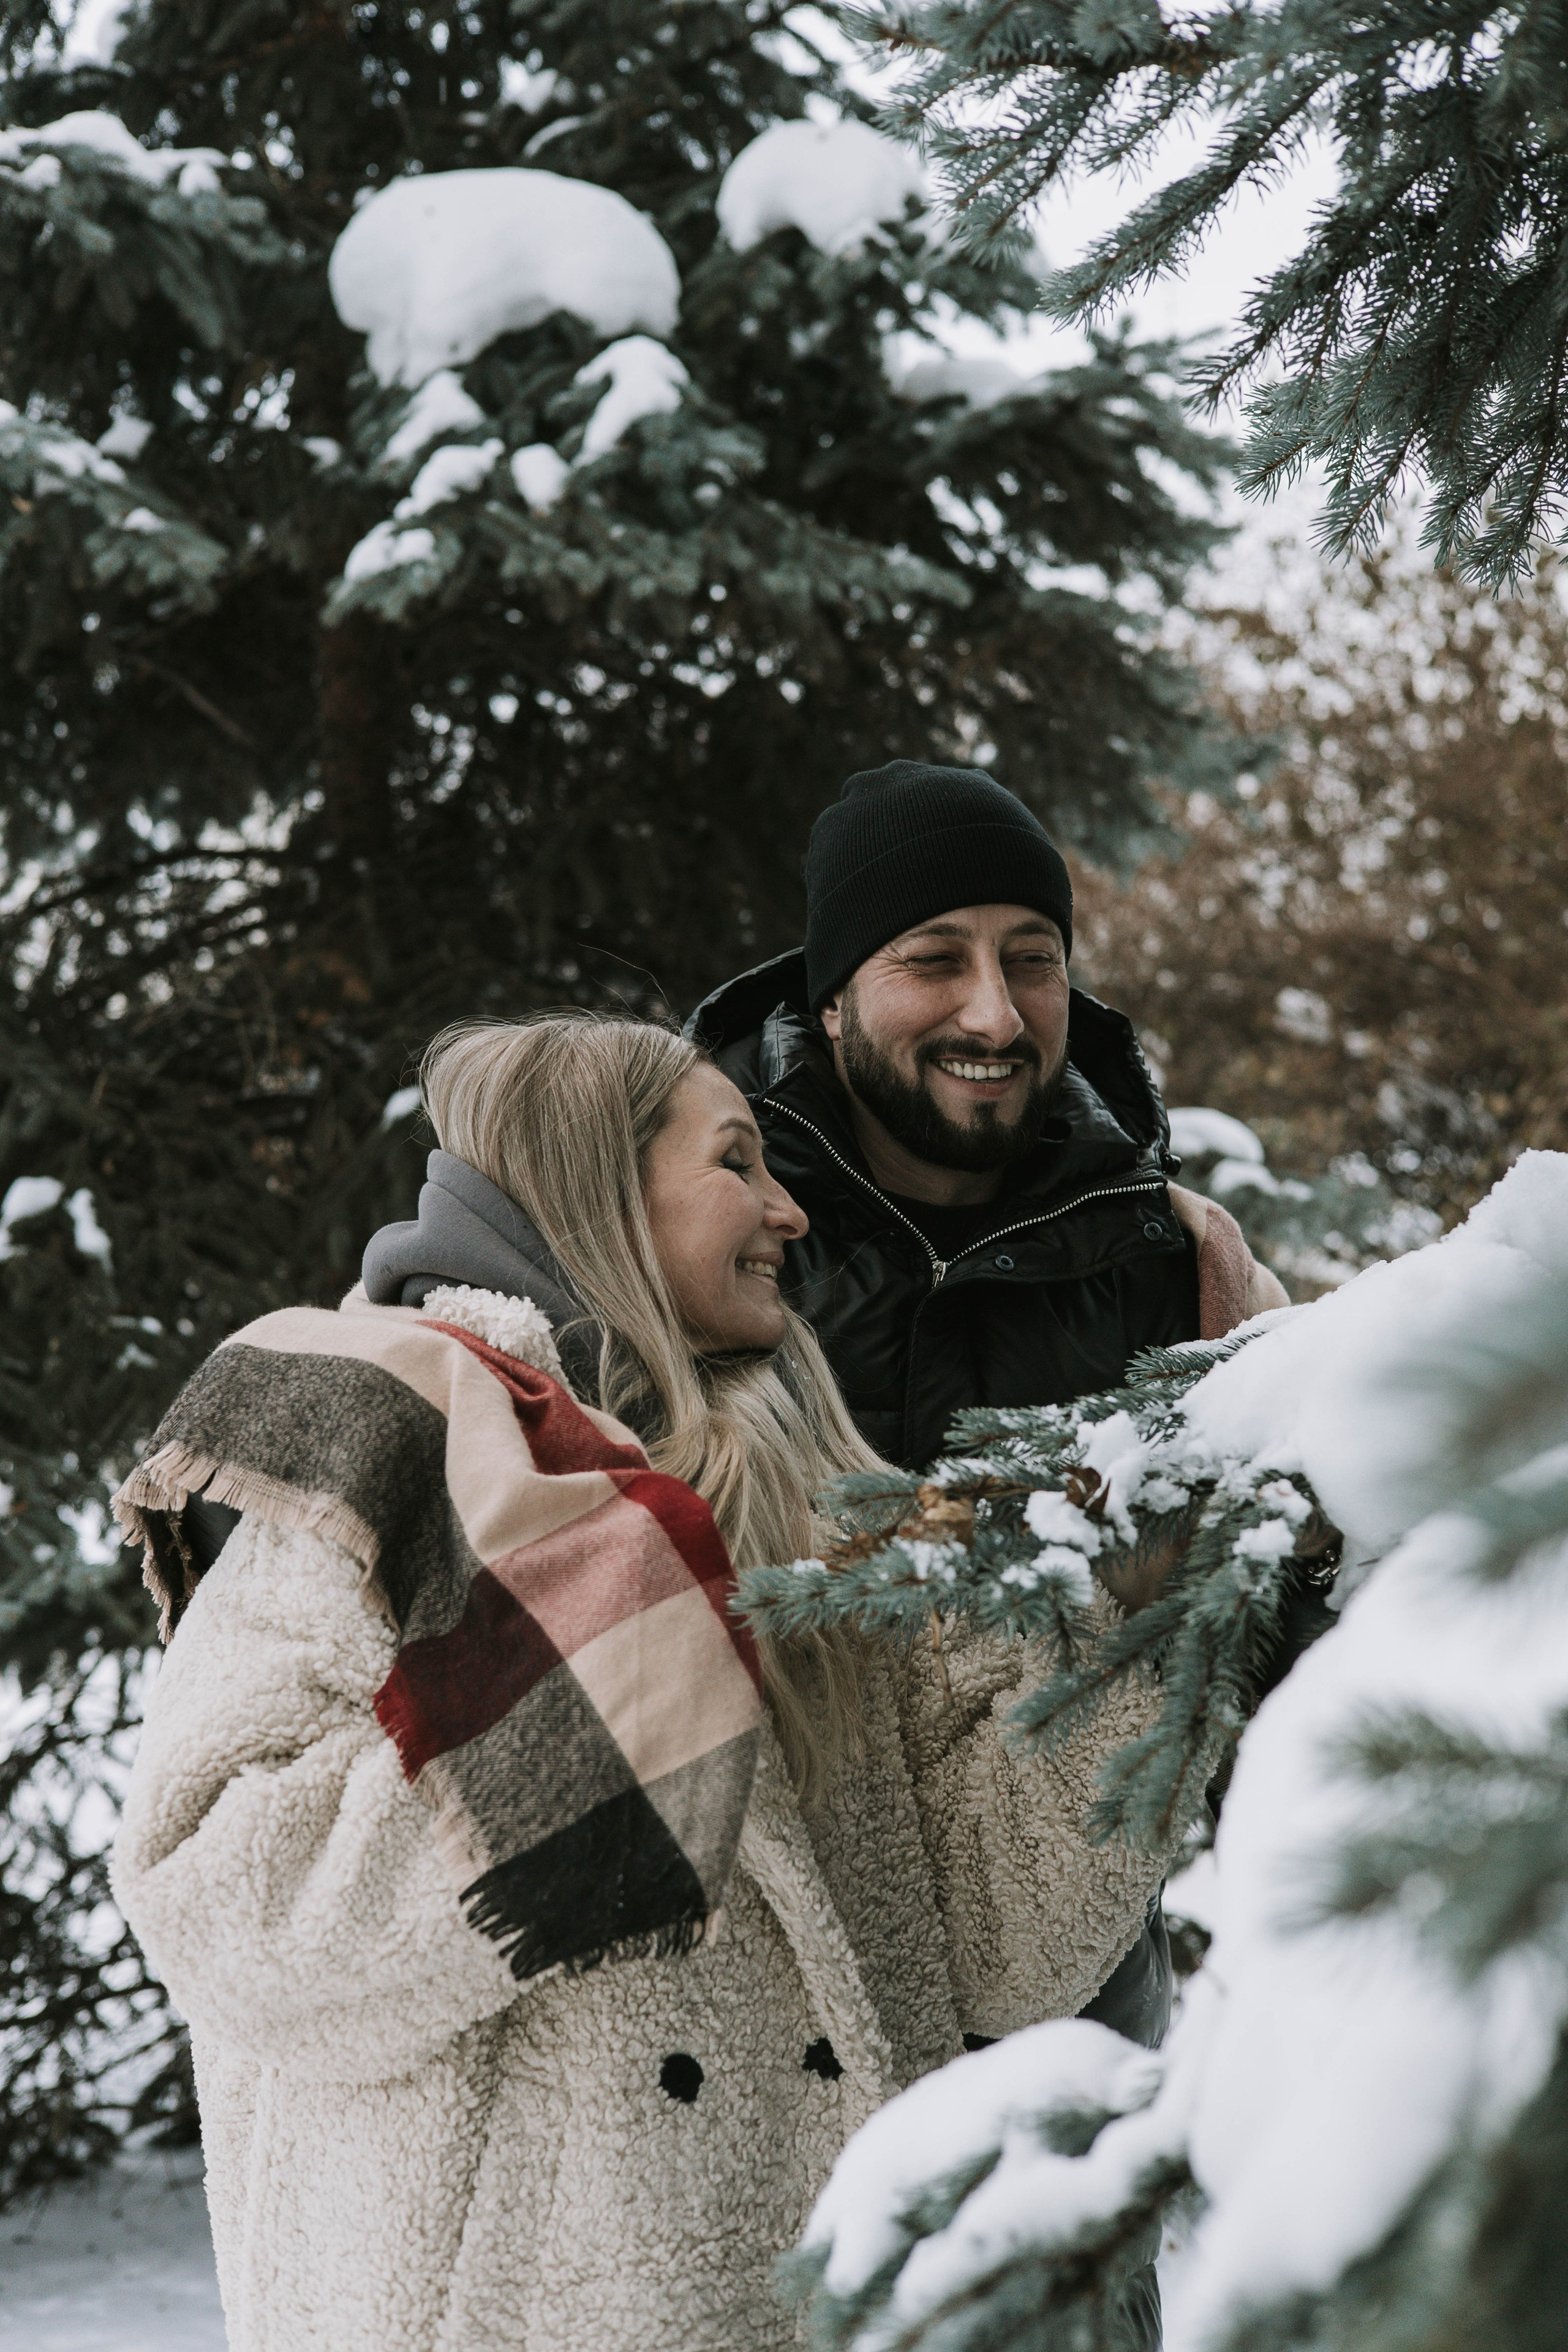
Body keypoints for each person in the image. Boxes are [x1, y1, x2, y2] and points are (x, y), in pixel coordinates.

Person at [111, 1014, 1179, 2352]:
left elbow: (994, 1951)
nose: (790, 1211)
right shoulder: (381, 1458)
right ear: (597, 1190)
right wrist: (596, 1696)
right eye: (738, 1163)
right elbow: (226, 1908)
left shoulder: (821, 1498)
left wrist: (1136, 1643)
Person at [688, 760, 1293, 2348]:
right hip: (781, 1942)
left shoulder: (1166, 1252)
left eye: (1032, 953)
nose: (998, 1009)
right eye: (934, 957)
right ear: (830, 997)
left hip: (1066, 1946)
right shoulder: (708, 1222)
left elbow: (1290, 1556)